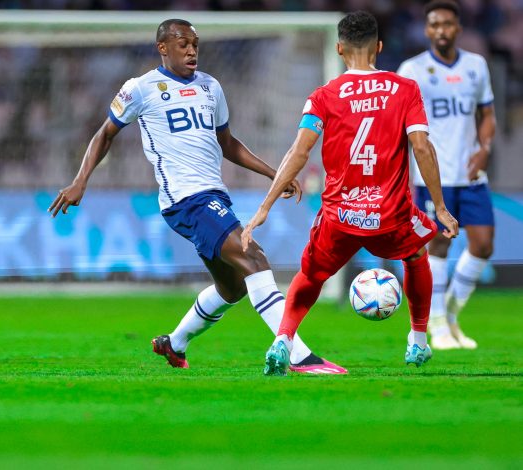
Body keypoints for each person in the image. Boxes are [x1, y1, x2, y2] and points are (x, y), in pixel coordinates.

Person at [49, 18, 346, 374]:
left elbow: (228, 143)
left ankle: (174, 344)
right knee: (255, 258)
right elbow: (104, 134)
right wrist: (81, 180)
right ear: (163, 48)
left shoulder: (210, 86)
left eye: (195, 44)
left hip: (211, 195)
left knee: (233, 287)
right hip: (185, 199)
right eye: (182, 44)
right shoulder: (141, 88)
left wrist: (275, 175)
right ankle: (297, 354)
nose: (191, 51)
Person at [241, 11, 459, 376]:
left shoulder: (323, 97)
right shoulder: (404, 89)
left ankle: (283, 339)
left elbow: (299, 151)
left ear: (340, 49)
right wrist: (439, 207)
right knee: (418, 250)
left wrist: (265, 206)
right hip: (391, 215)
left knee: (310, 275)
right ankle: (418, 342)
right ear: (379, 47)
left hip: (340, 216)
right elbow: (422, 147)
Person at [397, 0, 496, 350]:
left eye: (448, 24)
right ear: (427, 30)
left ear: (458, 28)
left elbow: (487, 114)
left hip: (470, 172)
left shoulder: (476, 66)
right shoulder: (411, 70)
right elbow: (401, 127)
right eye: (435, 24)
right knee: (436, 246)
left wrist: (484, 148)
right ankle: (437, 324)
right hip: (431, 176)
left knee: (483, 245)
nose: (441, 30)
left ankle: (450, 313)